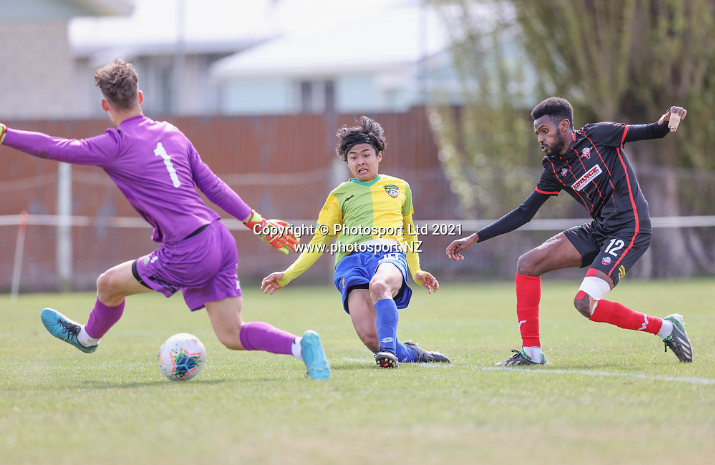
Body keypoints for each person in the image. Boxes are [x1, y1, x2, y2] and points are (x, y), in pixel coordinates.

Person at [0, 59, 330, 380]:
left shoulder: (114, 144)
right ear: (140, 97)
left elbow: (54, 147)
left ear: (105, 104)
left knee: (108, 284)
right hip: (219, 239)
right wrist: (258, 223)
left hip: (187, 250)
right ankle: (302, 346)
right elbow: (212, 186)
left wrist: (5, 134)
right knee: (232, 333)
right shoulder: (172, 133)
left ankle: (86, 339)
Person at [446, 97, 693, 366]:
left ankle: (666, 328)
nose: (540, 138)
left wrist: (668, 119)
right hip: (600, 230)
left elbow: (652, 130)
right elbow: (524, 212)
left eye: (545, 131)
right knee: (527, 263)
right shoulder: (553, 169)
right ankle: (532, 353)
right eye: (537, 133)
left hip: (630, 229)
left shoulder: (598, 135)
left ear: (564, 125)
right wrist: (476, 237)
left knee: (584, 303)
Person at [261, 116, 450, 368]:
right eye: (353, 156)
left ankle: (387, 353)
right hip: (351, 262)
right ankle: (411, 354)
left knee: (380, 285)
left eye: (366, 154)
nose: (360, 161)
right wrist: (287, 274)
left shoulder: (400, 187)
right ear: (347, 162)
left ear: (379, 155)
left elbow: (409, 233)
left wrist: (415, 271)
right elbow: (319, 241)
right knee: (370, 336)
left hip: (388, 254)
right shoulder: (338, 195)